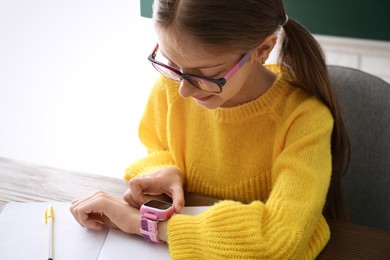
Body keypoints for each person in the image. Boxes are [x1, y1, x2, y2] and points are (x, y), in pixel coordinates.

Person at [70, 0, 350, 259]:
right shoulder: (173, 86)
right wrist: (167, 168)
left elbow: (280, 240)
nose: (184, 89)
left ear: (262, 50)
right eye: (173, 65)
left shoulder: (304, 118)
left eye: (206, 74)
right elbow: (156, 145)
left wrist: (142, 225)